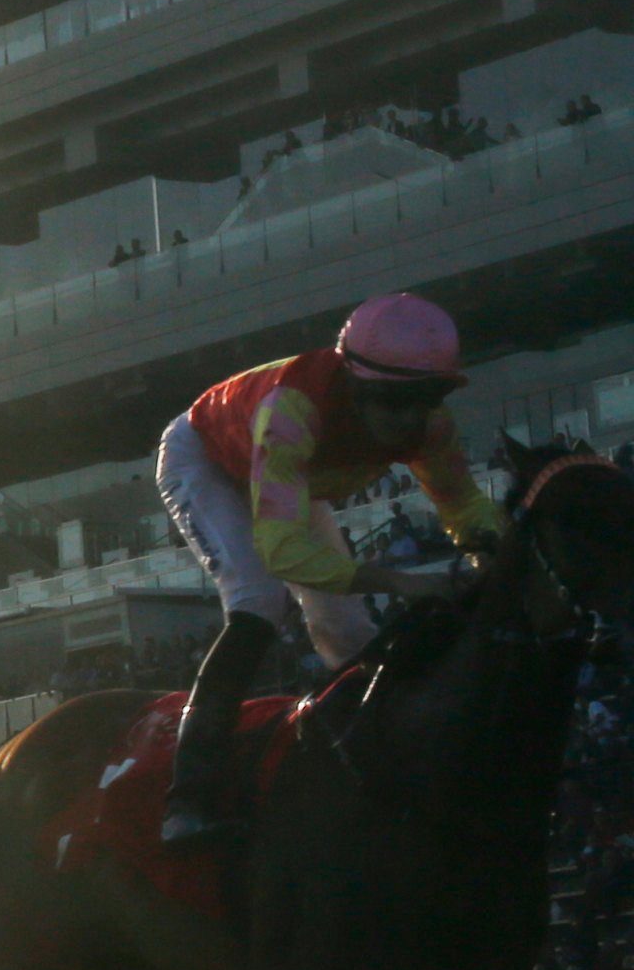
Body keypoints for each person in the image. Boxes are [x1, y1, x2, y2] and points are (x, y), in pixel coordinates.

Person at [157, 292, 505, 845]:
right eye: (393, 402)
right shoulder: (296, 411)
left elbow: (462, 504)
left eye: (426, 399)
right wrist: (395, 581)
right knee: (258, 603)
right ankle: (188, 798)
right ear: (355, 384)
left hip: (291, 476)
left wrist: (489, 550)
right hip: (208, 459)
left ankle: (374, 772)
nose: (407, 420)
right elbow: (282, 553)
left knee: (350, 633)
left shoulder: (431, 426)